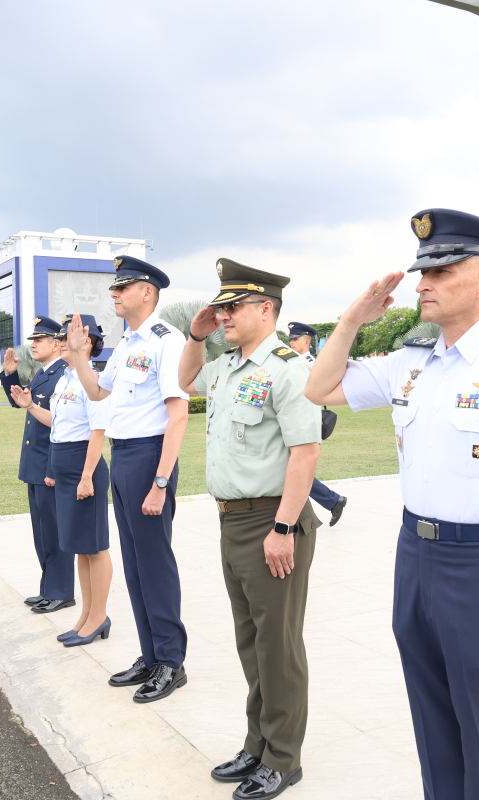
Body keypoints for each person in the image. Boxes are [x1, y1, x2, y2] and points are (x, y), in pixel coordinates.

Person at [304, 208, 479, 800]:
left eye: (441, 271)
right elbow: (320, 387)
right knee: (434, 726)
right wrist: (351, 321)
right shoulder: (411, 360)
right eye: (422, 272)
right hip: (416, 557)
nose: (423, 284)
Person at [178, 260, 322, 800]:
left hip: (270, 521)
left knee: (278, 647)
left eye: (233, 306)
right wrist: (197, 337)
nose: (224, 315)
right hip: (232, 521)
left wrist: (283, 527)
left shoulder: (288, 369)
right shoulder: (226, 365)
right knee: (251, 643)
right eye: (220, 307)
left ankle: (283, 758)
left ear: (266, 308)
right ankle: (257, 744)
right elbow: (185, 381)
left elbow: (305, 453)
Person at [64, 256, 191, 703]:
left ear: (147, 292)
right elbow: (98, 391)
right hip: (122, 456)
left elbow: (178, 415)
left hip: (149, 457)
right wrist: (78, 356)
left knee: (155, 563)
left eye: (122, 287)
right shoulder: (127, 343)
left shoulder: (166, 340)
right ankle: (151, 655)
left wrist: (160, 482)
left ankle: (171, 662)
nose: (114, 294)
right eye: (114, 288)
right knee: (135, 565)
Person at [13, 315, 113, 647]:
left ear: (86, 342)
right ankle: (86, 616)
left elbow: (97, 432)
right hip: (65, 466)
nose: (60, 343)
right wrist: (30, 406)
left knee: (95, 548)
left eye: (67, 337)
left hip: (84, 467)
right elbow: (57, 423)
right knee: (80, 548)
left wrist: (86, 477)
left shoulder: (92, 381)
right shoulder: (66, 381)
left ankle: (99, 617)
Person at [0, 316, 76, 614]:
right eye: (33, 340)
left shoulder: (62, 374)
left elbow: (63, 427)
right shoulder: (45, 373)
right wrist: (10, 375)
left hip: (49, 468)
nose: (33, 345)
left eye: (39, 340)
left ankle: (61, 592)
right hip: (36, 467)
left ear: (57, 344)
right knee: (42, 534)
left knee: (55, 534)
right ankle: (49, 588)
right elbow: (21, 401)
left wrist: (53, 470)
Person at [286, 321, 348, 526]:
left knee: (294, 469)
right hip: (291, 421)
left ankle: (331, 501)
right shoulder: (291, 362)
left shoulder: (311, 364)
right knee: (290, 469)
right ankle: (332, 501)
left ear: (307, 341)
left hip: (304, 422)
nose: (292, 342)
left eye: (296, 339)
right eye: (291, 339)